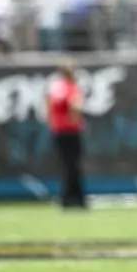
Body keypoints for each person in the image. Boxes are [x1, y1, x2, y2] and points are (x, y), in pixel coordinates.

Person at [46, 60, 86, 209]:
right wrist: (76, 120)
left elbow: (49, 106)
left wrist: (53, 123)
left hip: (58, 130)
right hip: (71, 130)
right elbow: (75, 106)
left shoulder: (55, 87)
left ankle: (69, 197)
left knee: (66, 165)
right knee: (73, 165)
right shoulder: (71, 87)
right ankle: (75, 198)